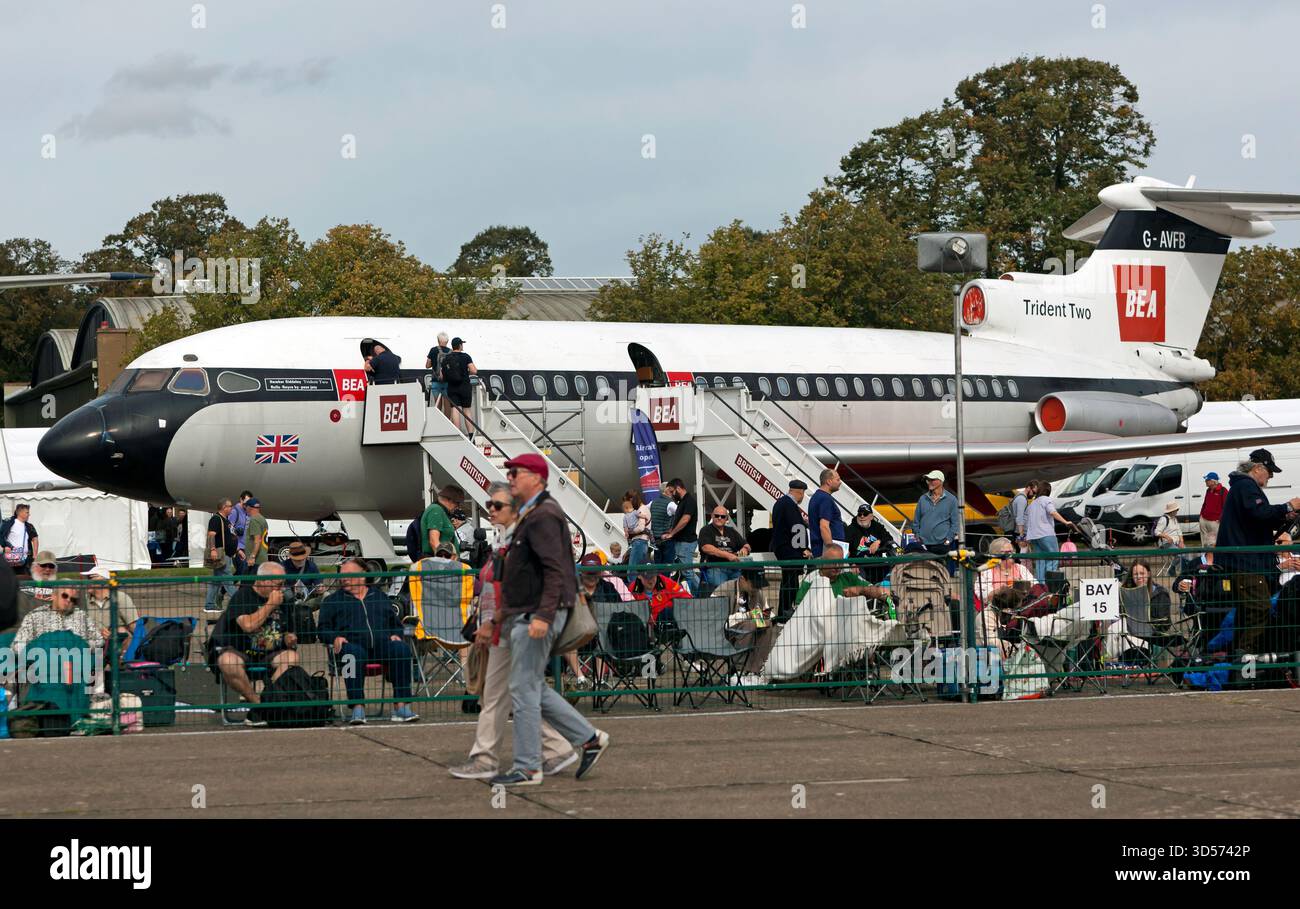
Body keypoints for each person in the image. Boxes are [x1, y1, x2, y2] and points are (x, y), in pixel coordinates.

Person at [493, 452, 610, 786]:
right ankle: (588, 738)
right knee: (528, 687)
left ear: (537, 478)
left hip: (538, 613)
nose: (511, 477)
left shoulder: (543, 514)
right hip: (528, 612)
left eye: (517, 472)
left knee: (523, 688)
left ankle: (529, 767)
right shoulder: (533, 513)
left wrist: (544, 615)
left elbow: (556, 569)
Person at [449, 482, 577, 779]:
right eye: (489, 505)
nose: (490, 510)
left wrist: (492, 623)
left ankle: (493, 759)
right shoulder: (505, 538)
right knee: (512, 696)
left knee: (506, 696)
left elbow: (518, 586)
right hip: (503, 627)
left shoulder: (521, 539)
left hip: (510, 628)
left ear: (514, 507)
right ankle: (560, 748)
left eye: (497, 505)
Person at [1215, 451, 1300, 654]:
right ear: (1258, 468)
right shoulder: (1246, 486)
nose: (1271, 476)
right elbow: (1259, 513)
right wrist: (1289, 506)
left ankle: (1240, 656)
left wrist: (1285, 515)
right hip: (1246, 563)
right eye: (1269, 472)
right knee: (1260, 608)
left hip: (1244, 562)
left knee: (1247, 611)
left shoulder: (1241, 487)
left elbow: (1259, 518)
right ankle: (1245, 653)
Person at [318, 558, 417, 724]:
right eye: (342, 575)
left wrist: (396, 634)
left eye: (349, 574)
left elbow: (395, 624)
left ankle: (401, 706)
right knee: (352, 654)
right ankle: (357, 707)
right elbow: (322, 629)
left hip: (381, 646)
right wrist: (334, 637)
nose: (344, 579)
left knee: (401, 649)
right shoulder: (332, 601)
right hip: (351, 647)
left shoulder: (379, 596)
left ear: (363, 575)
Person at [209, 562, 300, 724]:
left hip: (271, 653)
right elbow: (248, 625)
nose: (281, 588)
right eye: (278, 584)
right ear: (263, 581)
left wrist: (289, 637)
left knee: (292, 657)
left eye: (283, 584)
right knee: (227, 661)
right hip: (241, 651)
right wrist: (270, 605)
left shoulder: (284, 600)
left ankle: (267, 702)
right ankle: (258, 705)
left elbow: (289, 631)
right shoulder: (243, 596)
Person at [11, 585, 97, 664]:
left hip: (75, 666)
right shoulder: (34, 616)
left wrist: (78, 647)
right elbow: (16, 647)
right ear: (53, 596)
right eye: (65, 596)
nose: (68, 600)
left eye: (73, 599)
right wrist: (41, 649)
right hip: (42, 667)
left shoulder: (82, 616)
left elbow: (99, 640)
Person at [771, 479, 811, 623]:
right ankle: (785, 612)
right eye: (802, 494)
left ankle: (784, 612)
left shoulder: (780, 503)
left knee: (788, 581)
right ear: (799, 492)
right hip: (790, 550)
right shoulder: (790, 505)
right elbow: (797, 528)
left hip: (783, 548)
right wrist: (804, 548)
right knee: (790, 583)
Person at [1023, 480, 1074, 583]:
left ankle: (1041, 586)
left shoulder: (1032, 504)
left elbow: (1026, 521)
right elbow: (1052, 512)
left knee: (1040, 561)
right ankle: (1051, 585)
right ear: (1048, 491)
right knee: (1053, 558)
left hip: (1034, 536)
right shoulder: (1046, 500)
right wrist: (1065, 522)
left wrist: (1025, 535)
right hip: (1046, 534)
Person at [81, 565, 139, 651]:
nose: (88, 581)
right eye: (87, 578)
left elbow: (134, 627)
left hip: (117, 644)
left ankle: (122, 662)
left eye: (91, 577)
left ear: (104, 582)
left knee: (122, 631)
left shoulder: (120, 598)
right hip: (94, 644)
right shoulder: (83, 601)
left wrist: (113, 634)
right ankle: (97, 663)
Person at [697, 506, 751, 596]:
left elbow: (746, 545)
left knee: (742, 590)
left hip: (734, 568)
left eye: (722, 516)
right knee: (722, 592)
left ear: (726, 518)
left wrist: (744, 549)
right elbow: (706, 548)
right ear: (712, 516)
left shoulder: (731, 531)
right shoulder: (706, 530)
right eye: (717, 515)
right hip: (715, 567)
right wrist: (728, 555)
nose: (719, 518)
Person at [660, 478, 699, 593]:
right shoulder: (682, 502)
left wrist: (671, 533)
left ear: (678, 488)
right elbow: (678, 521)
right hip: (681, 542)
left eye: (672, 492)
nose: (671, 495)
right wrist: (669, 532)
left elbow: (685, 519)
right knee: (684, 571)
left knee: (687, 571)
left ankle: (702, 594)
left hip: (686, 542)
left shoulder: (689, 501)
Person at [914, 469, 959, 557]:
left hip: (942, 545)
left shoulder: (952, 500)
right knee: (926, 570)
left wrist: (948, 540)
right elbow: (916, 521)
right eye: (928, 480)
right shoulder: (922, 499)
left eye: (932, 480)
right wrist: (917, 536)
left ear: (941, 481)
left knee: (943, 570)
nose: (929, 482)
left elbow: (955, 523)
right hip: (924, 545)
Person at [204, 498, 239, 613]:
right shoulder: (216, 519)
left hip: (227, 555)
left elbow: (230, 536)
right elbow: (211, 535)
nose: (232, 508)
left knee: (216, 581)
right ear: (224, 507)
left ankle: (209, 605)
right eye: (230, 506)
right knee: (228, 579)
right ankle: (239, 603)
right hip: (221, 555)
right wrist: (213, 549)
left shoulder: (226, 520)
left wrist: (238, 550)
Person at [846, 505, 891, 584]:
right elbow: (846, 549)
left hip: (876, 563)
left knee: (890, 570)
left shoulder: (877, 526)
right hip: (859, 564)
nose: (862, 516)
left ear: (871, 516)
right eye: (859, 514)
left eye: (865, 514)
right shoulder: (850, 529)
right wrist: (852, 563)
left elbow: (889, 538)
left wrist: (878, 542)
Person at [440, 337, 477, 432]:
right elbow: (474, 371)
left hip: (452, 387)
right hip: (464, 386)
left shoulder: (446, 358)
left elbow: (441, 375)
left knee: (455, 410)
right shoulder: (466, 357)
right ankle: (471, 435)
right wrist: (466, 372)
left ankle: (458, 434)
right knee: (467, 410)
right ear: (460, 345)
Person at [807, 469, 846, 559]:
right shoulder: (825, 499)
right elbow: (824, 526)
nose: (840, 482)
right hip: (828, 553)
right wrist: (831, 550)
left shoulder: (816, 497)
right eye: (837, 479)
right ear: (829, 481)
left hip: (820, 550)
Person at [420, 484, 464, 559]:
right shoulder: (436, 510)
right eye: (457, 503)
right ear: (449, 500)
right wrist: (446, 562)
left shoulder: (440, 511)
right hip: (438, 564)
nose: (458, 506)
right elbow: (434, 541)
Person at [2, 503, 39, 577]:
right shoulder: (8, 524)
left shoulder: (29, 526)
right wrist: (3, 548)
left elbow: (35, 539)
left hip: (26, 560)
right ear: (20, 512)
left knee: (26, 580)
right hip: (10, 559)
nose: (29, 514)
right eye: (27, 512)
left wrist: (35, 554)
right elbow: (1, 537)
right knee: (10, 580)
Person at [622, 490, 652, 568]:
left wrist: (630, 532)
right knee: (638, 569)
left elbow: (641, 528)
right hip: (641, 542)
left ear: (632, 499)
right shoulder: (642, 509)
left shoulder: (641, 510)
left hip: (639, 541)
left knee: (632, 570)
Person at [425, 331, 452, 414]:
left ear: (438, 340)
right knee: (447, 405)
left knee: (438, 405)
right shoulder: (451, 352)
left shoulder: (433, 350)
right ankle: (447, 423)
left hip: (435, 381)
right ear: (447, 341)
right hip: (448, 382)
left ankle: (438, 423)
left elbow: (427, 365)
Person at [648, 481, 675, 563]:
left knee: (658, 564)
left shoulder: (652, 502)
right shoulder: (671, 503)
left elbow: (640, 512)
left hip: (655, 539)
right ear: (666, 490)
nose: (673, 493)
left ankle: (658, 576)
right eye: (671, 491)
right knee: (667, 565)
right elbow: (682, 514)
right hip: (667, 539)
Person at [1199, 472, 1226, 546]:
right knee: (1204, 543)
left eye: (1207, 480)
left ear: (1213, 481)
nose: (1205, 481)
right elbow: (1205, 503)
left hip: (1215, 522)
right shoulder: (1208, 490)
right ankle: (1205, 556)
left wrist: (1220, 519)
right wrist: (1201, 515)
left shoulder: (1223, 491)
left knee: (1214, 542)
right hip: (1204, 519)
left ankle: (1214, 557)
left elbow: (1226, 507)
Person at [243, 498, 270, 567]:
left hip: (256, 561)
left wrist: (252, 557)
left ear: (249, 507)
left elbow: (257, 540)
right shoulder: (262, 518)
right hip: (262, 558)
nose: (245, 509)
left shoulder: (254, 520)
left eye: (245, 507)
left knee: (248, 577)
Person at [1012, 481, 1037, 553]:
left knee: (1021, 557)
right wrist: (1021, 537)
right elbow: (1019, 518)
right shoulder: (1022, 499)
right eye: (1034, 492)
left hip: (1018, 532)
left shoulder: (1021, 497)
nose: (1034, 495)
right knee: (1021, 557)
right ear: (1029, 488)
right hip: (1019, 533)